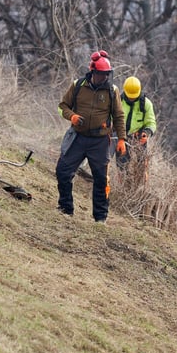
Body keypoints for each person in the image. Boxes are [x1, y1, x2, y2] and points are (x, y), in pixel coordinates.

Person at [56, 50, 126, 223]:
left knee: (101, 179)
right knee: (63, 171)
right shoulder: (78, 85)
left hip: (100, 141)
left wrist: (122, 139)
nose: (105, 77)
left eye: (107, 74)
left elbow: (118, 115)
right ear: (93, 72)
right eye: (102, 74)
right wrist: (71, 116)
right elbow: (62, 106)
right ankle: (66, 208)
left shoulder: (112, 90)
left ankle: (100, 217)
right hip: (77, 138)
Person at [116, 76, 157, 176]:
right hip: (122, 137)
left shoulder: (146, 104)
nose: (132, 98)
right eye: (130, 96)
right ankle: (123, 187)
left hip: (139, 138)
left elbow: (151, 123)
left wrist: (146, 133)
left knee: (142, 167)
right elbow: (111, 118)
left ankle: (141, 188)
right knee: (122, 166)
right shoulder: (118, 101)